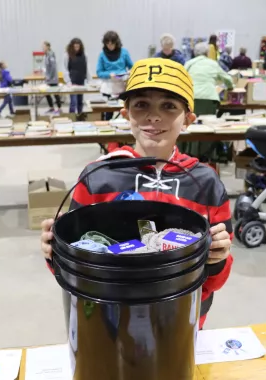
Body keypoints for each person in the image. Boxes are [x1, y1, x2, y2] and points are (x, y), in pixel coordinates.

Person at [41, 57, 233, 330]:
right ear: (125, 114)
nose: (154, 116)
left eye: (169, 106)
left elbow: (216, 279)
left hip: (181, 324)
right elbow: (78, 266)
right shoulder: (98, 177)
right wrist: (55, 251)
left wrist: (216, 260)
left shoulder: (205, 184)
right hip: (108, 324)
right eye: (141, 105)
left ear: (188, 119)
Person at [182, 42, 233, 163]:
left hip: (191, 97)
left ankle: (189, 155)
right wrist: (231, 87)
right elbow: (228, 79)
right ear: (207, 52)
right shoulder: (213, 63)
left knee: (190, 125)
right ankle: (204, 155)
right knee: (207, 126)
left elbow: (181, 78)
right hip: (209, 98)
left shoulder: (189, 63)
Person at [96, 31, 134, 120]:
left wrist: (129, 72)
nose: (110, 46)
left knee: (124, 110)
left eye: (112, 43)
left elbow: (132, 67)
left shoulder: (124, 52)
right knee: (109, 111)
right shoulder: (102, 55)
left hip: (122, 85)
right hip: (108, 86)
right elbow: (99, 72)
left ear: (116, 42)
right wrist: (109, 74)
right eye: (107, 43)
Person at [63, 38, 90, 115]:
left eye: (78, 47)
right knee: (73, 102)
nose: (76, 49)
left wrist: (88, 80)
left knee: (80, 101)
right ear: (72, 47)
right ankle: (72, 117)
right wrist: (68, 81)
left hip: (81, 81)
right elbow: (65, 68)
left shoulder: (84, 55)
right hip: (72, 82)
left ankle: (80, 117)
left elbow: (86, 68)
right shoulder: (67, 55)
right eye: (75, 47)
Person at [43, 41, 62, 115]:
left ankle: (59, 108)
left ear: (48, 47)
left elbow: (53, 67)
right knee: (46, 93)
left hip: (53, 78)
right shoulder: (46, 55)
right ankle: (51, 107)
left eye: (44, 47)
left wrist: (49, 76)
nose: (43, 48)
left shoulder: (51, 54)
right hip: (48, 78)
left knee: (55, 93)